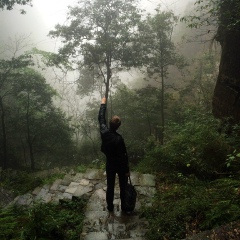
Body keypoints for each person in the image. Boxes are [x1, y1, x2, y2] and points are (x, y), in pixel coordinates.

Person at [98, 96, 130, 215]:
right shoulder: (119, 139)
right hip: (120, 165)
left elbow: (101, 118)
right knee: (123, 186)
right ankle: (124, 207)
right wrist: (127, 170)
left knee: (110, 185)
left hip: (110, 163)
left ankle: (110, 206)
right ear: (119, 126)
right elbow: (124, 155)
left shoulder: (104, 132)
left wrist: (103, 104)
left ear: (110, 124)